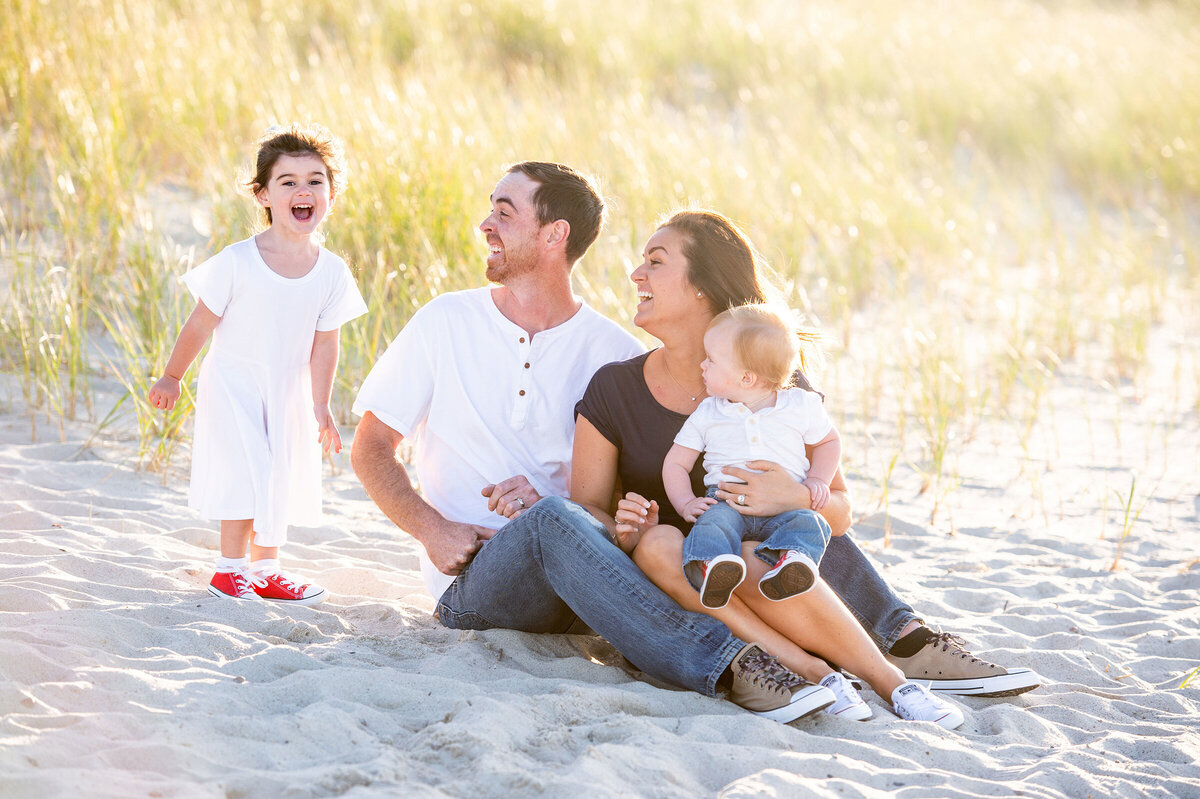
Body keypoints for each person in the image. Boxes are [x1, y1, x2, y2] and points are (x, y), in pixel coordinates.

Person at [351, 162, 839, 724]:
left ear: (554, 234)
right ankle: (734, 667)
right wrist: (434, 530)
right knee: (557, 521)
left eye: (504, 214)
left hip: (592, 583)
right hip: (475, 585)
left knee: (569, 521)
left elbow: (619, 498)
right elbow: (369, 447)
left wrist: (580, 515)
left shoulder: (614, 354)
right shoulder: (445, 321)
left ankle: (866, 649)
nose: (486, 224)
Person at [572, 210, 984, 727]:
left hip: (764, 573)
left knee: (754, 553)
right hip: (677, 583)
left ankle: (890, 672)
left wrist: (790, 496)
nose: (636, 274)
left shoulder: (778, 387)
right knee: (662, 547)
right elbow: (581, 517)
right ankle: (813, 667)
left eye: (655, 262)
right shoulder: (615, 388)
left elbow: (838, 516)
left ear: (703, 287)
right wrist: (626, 525)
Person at [149, 123, 367, 606]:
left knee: (281, 472)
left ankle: (266, 569)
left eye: (315, 180)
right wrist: (172, 375)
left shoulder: (331, 270)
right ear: (263, 195)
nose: (302, 190)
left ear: (332, 193)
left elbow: (325, 343)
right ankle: (230, 570)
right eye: (287, 182)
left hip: (288, 388)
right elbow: (199, 323)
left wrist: (321, 405)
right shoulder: (238, 261)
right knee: (248, 471)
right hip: (235, 384)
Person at [663, 304, 841, 611]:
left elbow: (829, 442)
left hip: (785, 506)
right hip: (726, 501)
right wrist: (685, 502)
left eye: (711, 360)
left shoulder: (800, 405)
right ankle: (714, 567)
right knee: (712, 524)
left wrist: (817, 480)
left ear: (746, 378)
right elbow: (676, 462)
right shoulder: (709, 412)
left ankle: (792, 565)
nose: (702, 365)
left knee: (810, 522)